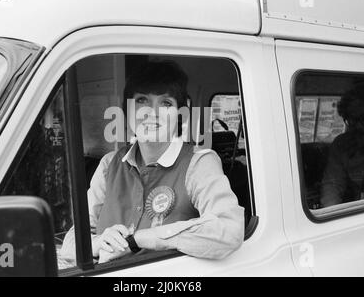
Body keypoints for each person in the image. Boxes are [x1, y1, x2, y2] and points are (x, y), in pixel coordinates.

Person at [59, 60, 244, 264]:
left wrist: (138, 240)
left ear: (180, 115)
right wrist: (100, 242)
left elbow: (229, 230)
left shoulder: (198, 163)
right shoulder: (109, 164)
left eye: (165, 103)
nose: (152, 113)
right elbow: (71, 242)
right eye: (141, 101)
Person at [320, 85, 364, 208]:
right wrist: (331, 218)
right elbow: (332, 185)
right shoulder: (342, 145)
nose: (358, 126)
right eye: (352, 119)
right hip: (359, 214)